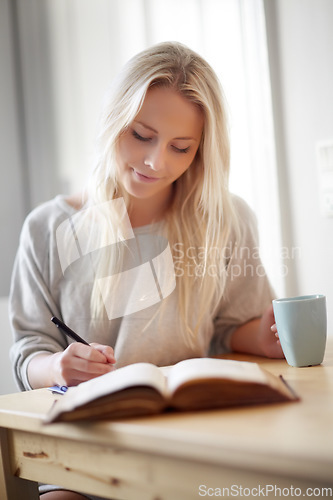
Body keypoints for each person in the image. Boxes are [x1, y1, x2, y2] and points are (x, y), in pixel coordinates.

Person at [9, 41, 283, 500]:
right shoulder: (49, 228)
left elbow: (231, 329)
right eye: (141, 135)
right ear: (114, 120)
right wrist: (59, 364)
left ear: (201, 151)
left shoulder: (226, 219)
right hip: (84, 443)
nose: (157, 162)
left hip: (197, 433)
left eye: (181, 147)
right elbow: (27, 353)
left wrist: (260, 336)